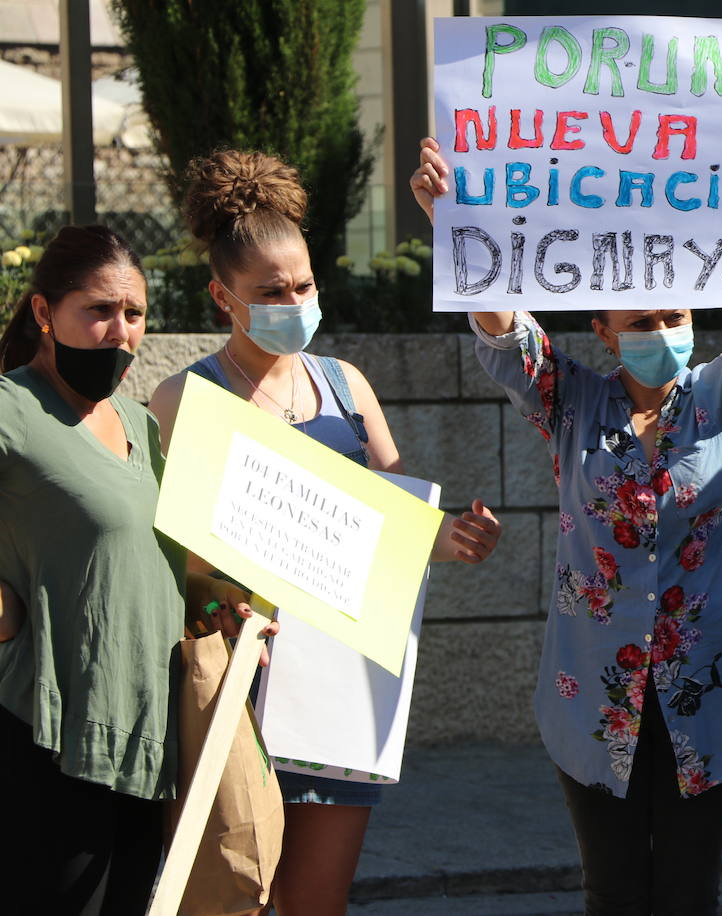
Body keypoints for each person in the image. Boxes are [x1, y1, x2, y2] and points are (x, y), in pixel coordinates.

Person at [411, 120, 722, 914]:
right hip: (595, 692)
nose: (661, 334)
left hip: (710, 687)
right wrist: (455, 225)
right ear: (602, 332)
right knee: (616, 889)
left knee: (690, 888)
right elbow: (507, 336)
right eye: (640, 323)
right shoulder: (571, 403)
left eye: (673, 318)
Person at [147, 150, 504, 916]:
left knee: (315, 903)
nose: (293, 301)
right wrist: (213, 599)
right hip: (238, 682)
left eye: (304, 285)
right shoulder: (183, 400)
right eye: (269, 291)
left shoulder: (348, 386)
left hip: (339, 684)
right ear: (222, 297)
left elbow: (398, 520)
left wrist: (454, 537)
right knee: (233, 895)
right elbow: (165, 556)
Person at [0, 226, 274, 913]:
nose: (118, 331)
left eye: (134, 314)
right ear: (43, 312)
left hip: (143, 735)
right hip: (47, 735)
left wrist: (213, 601)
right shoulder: (13, 407)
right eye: (98, 310)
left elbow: (150, 554)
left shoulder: (136, 419)